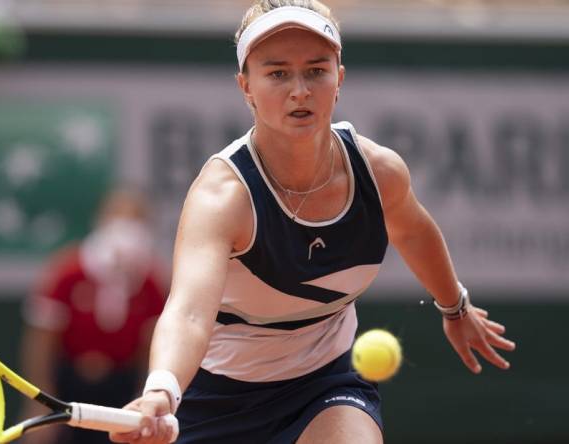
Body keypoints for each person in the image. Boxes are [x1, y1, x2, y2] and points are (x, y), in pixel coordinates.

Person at [111, 1, 516, 443]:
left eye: (316, 70)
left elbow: (414, 231)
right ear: (246, 86)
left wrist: (454, 306)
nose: (300, 90)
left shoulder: (378, 171)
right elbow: (189, 312)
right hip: (215, 398)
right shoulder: (222, 197)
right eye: (278, 73)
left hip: (325, 384)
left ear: (339, 78)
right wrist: (162, 390)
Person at [19, 188, 168, 444]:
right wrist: (41, 402)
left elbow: (152, 346)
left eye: (135, 221)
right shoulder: (68, 271)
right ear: (102, 220)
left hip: (121, 389)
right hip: (66, 387)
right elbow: (41, 342)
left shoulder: (152, 282)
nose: (126, 230)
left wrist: (146, 397)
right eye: (119, 219)